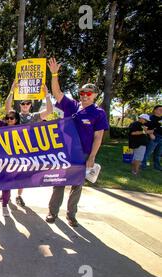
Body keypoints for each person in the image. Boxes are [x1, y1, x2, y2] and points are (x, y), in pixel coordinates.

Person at [46, 57, 109, 227]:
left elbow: (98, 136)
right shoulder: (72, 105)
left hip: (83, 154)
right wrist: (54, 74)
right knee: (58, 184)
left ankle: (71, 215)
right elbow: (57, 93)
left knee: (76, 186)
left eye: (88, 93)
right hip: (65, 152)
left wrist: (92, 157)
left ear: (95, 95)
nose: (84, 96)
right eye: (82, 93)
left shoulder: (98, 113)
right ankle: (52, 212)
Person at [1, 80, 54, 207]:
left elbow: (50, 110)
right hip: (12, 149)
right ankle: (5, 193)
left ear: (30, 105)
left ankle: (19, 196)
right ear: (20, 105)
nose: (25, 105)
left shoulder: (35, 116)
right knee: (9, 172)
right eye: (23, 103)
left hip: (27, 150)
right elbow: (8, 107)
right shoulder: (15, 115)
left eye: (27, 103)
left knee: (22, 175)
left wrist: (47, 94)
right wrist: (12, 90)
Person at [141, 105, 162, 171]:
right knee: (148, 152)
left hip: (161, 138)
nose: (161, 111)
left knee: (158, 154)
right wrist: (151, 134)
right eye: (160, 109)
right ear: (155, 110)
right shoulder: (150, 118)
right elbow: (143, 127)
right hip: (154, 137)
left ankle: (157, 166)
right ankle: (142, 165)